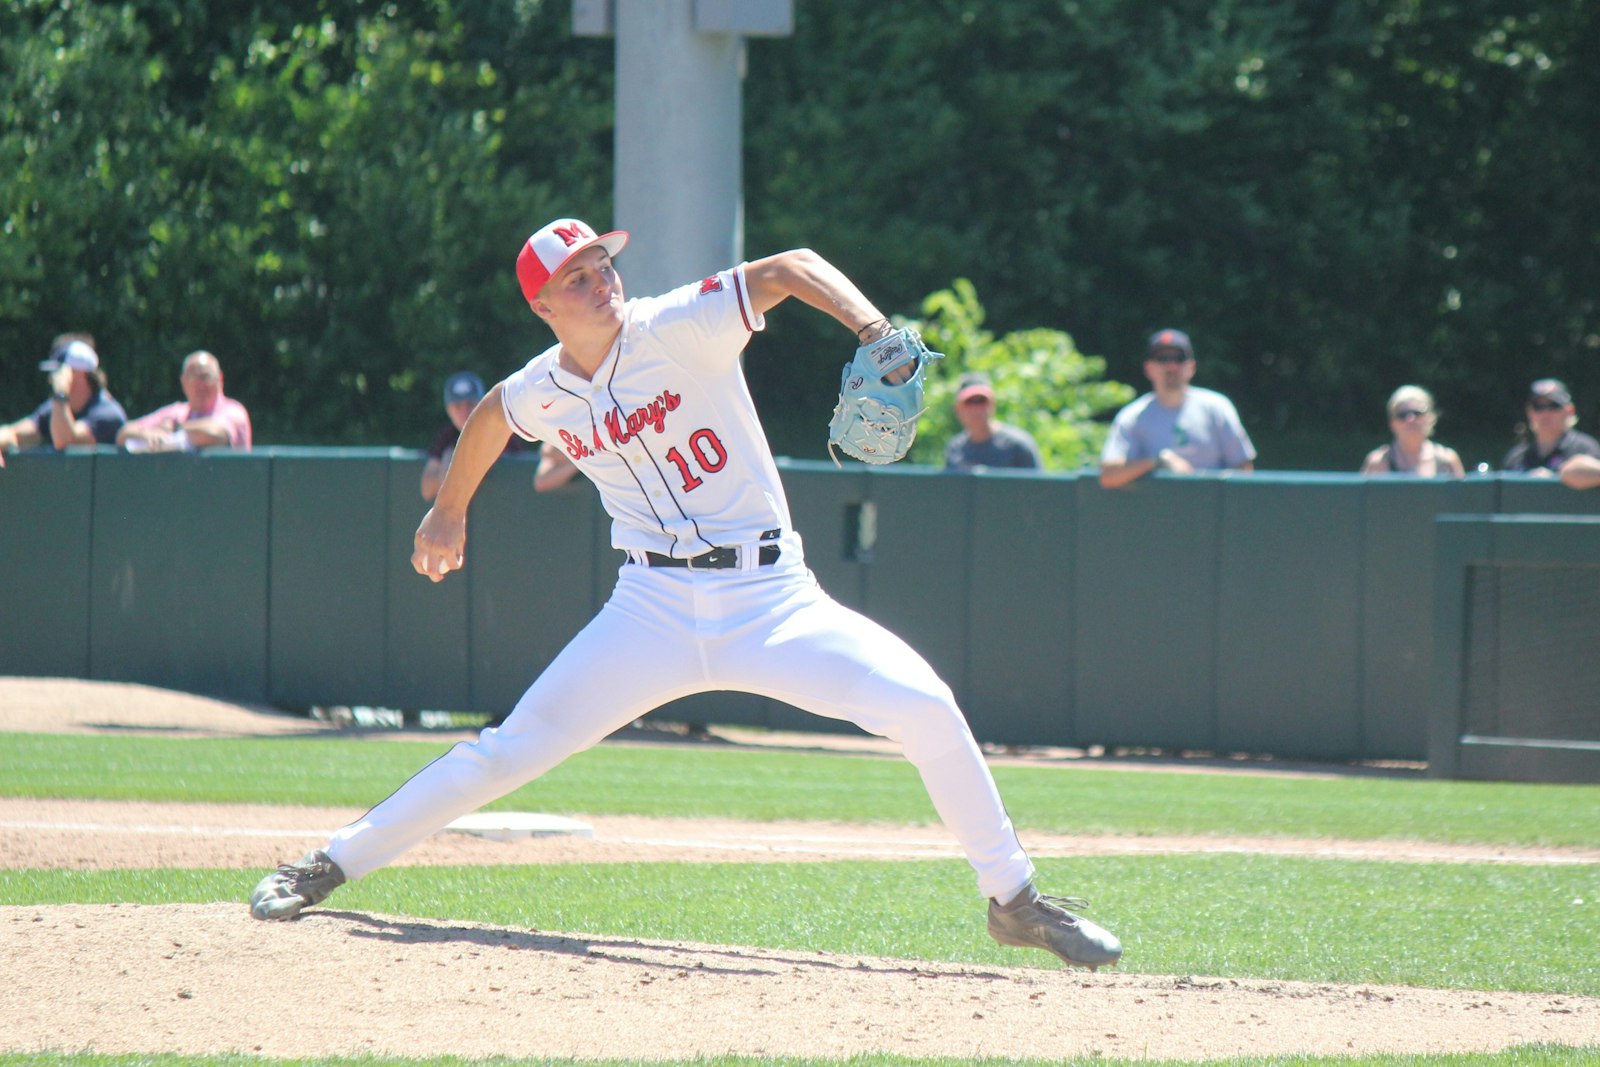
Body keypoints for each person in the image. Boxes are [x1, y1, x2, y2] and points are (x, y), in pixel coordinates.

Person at [249, 216, 1122, 971]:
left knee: (925, 704)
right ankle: (327, 865)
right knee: (506, 751)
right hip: (650, 610)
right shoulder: (542, 387)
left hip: (772, 599)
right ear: (543, 305)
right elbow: (490, 420)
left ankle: (1015, 900)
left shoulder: (679, 324)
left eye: (603, 265)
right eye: (576, 277)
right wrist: (448, 513)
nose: (601, 281)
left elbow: (786, 268)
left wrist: (870, 327)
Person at [1097, 328, 1255, 488]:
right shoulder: (1133, 416)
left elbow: (1243, 470)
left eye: (1179, 358)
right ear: (1148, 368)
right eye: (1162, 359)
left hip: (1210, 509)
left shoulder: (1217, 408)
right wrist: (1157, 462)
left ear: (1192, 367)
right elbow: (1108, 476)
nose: (1171, 366)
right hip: (1154, 510)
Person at [0, 334, 127, 468]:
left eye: (56, 372)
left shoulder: (108, 413)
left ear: (77, 374)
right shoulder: (55, 408)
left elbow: (65, 442)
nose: (51, 379)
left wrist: (61, 393)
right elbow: (14, 433)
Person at [420, 371, 533, 501]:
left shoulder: (502, 429)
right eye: (457, 406)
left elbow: (518, 480)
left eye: (470, 404)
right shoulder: (448, 435)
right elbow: (427, 489)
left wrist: (455, 460)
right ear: (448, 409)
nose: (464, 411)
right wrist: (451, 460)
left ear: (482, 403)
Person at [116, 350, 252, 452]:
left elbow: (215, 434)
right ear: (183, 382)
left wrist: (175, 429)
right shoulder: (177, 412)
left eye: (206, 377)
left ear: (220, 379)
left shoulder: (234, 411)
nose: (200, 384)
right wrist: (147, 433)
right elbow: (123, 434)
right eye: (193, 377)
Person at [1499, 379, 1600, 477]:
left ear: (1570, 410)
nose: (1545, 414)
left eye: (1554, 406)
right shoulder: (1515, 458)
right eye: (1538, 407)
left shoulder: (1586, 450)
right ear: (1529, 413)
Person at [943, 372, 1042, 471]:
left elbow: (1037, 485)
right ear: (958, 408)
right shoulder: (956, 448)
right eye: (969, 402)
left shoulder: (1018, 446)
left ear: (992, 404)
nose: (976, 409)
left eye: (981, 401)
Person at [1359, 385, 1464, 477]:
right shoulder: (1377, 463)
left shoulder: (1446, 460)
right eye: (1402, 415)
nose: (1410, 419)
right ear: (1392, 423)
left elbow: (1464, 498)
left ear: (1431, 418)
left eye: (1417, 413)